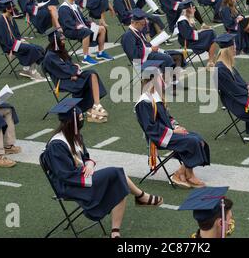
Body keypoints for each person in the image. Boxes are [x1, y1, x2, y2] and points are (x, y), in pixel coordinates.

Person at [43, 97, 163, 238]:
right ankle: (141, 197)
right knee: (116, 174)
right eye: (80, 118)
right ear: (72, 122)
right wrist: (85, 172)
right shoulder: (57, 145)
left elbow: (86, 158)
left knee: (119, 181)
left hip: (81, 176)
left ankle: (116, 231)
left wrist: (89, 164)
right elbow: (64, 174)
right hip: (70, 185)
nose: (82, 121)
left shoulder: (75, 136)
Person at [134, 63, 210, 188]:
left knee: (198, 138)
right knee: (192, 141)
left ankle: (187, 173)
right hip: (159, 137)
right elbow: (150, 128)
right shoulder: (144, 101)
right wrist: (173, 132)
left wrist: (176, 127)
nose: (163, 79)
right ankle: (179, 173)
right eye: (160, 77)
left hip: (168, 133)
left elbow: (168, 118)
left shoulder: (156, 97)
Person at [42, 28, 109, 123]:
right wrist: (73, 73)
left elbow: (69, 65)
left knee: (92, 74)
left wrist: (74, 69)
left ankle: (96, 105)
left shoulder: (60, 50)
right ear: (55, 41)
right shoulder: (50, 56)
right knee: (89, 78)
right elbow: (61, 70)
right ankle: (92, 110)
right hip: (63, 81)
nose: (64, 41)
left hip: (71, 76)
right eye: (62, 39)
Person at [58, 0, 112, 65]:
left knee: (102, 29)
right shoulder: (64, 8)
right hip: (69, 30)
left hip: (79, 27)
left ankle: (100, 53)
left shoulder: (74, 5)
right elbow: (68, 23)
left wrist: (90, 23)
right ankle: (86, 57)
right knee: (86, 31)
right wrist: (82, 26)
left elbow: (82, 19)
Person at [0, 0, 45, 80]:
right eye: (12, 8)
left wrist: (22, 41)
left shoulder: (10, 18)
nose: (14, 10)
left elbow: (17, 34)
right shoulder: (0, 22)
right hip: (9, 46)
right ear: (7, 9)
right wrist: (20, 43)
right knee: (32, 48)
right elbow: (5, 41)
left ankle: (27, 69)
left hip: (16, 42)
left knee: (39, 48)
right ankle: (30, 71)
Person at [175, 0, 217, 67]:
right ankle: (211, 61)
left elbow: (191, 32)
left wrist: (201, 30)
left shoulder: (187, 17)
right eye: (193, 8)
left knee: (211, 34)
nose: (195, 10)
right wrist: (201, 31)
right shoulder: (182, 21)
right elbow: (188, 35)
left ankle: (211, 60)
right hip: (187, 42)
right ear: (188, 10)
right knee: (211, 34)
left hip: (191, 38)